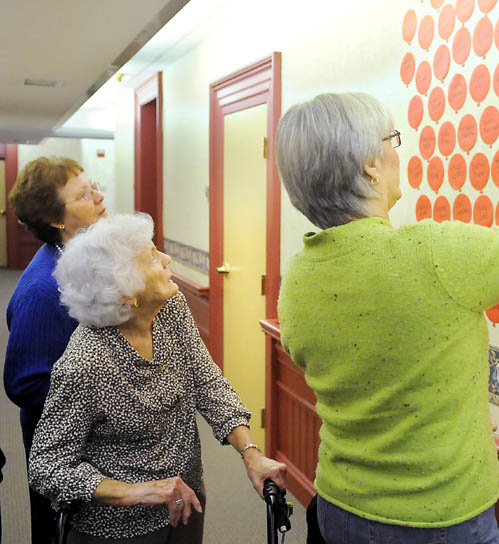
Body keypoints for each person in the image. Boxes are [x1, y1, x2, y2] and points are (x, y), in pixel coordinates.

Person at [275, 93, 499, 544]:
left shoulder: (299, 277)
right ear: (369, 167)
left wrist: (455, 409)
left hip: (339, 511)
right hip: (436, 523)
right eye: (390, 139)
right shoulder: (431, 255)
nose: (398, 151)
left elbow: (365, 377)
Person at [27, 213, 288, 543]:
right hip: (119, 527)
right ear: (125, 293)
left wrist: (250, 453)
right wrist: (136, 492)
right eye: (152, 256)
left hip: (185, 503)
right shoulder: (85, 364)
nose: (166, 259)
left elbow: (207, 381)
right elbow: (46, 466)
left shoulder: (170, 307)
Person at [3, 156, 107, 543]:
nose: (99, 196)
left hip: (96, 446)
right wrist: (104, 387)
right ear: (56, 220)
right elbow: (24, 386)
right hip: (63, 455)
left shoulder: (83, 261)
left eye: (93, 185)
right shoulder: (43, 291)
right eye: (83, 194)